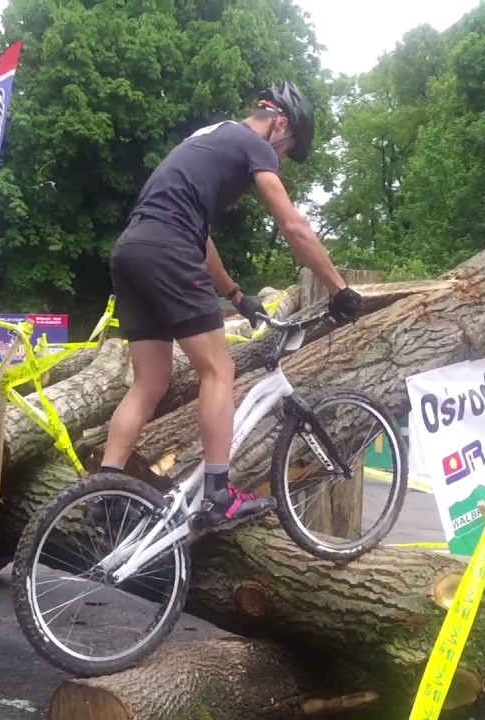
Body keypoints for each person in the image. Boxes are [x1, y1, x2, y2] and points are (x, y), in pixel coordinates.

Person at [100, 82, 362, 527]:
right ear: (278, 123)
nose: (280, 160)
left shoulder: (208, 137)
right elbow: (293, 225)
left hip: (133, 249)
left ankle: (100, 495)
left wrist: (236, 295)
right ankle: (218, 495)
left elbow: (197, 233)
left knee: (149, 383)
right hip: (168, 249)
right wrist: (339, 289)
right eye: (287, 149)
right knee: (218, 370)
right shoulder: (249, 142)